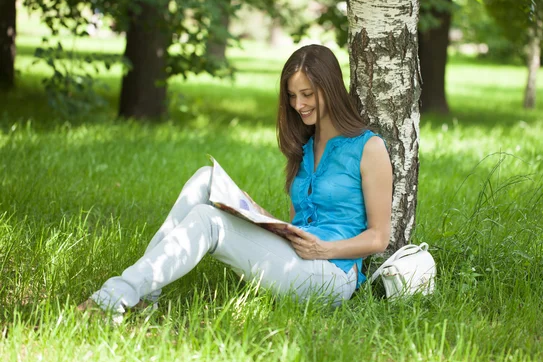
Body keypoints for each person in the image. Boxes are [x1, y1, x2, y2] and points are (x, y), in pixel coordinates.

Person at [77, 44, 393, 317]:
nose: (299, 105)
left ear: (331, 89)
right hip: (298, 259)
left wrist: (325, 249)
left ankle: (112, 299)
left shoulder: (369, 147)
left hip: (333, 276)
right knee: (206, 178)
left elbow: (379, 237)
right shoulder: (306, 148)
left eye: (307, 94)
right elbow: (305, 226)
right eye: (293, 96)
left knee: (207, 220)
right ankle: (147, 295)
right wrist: (260, 217)